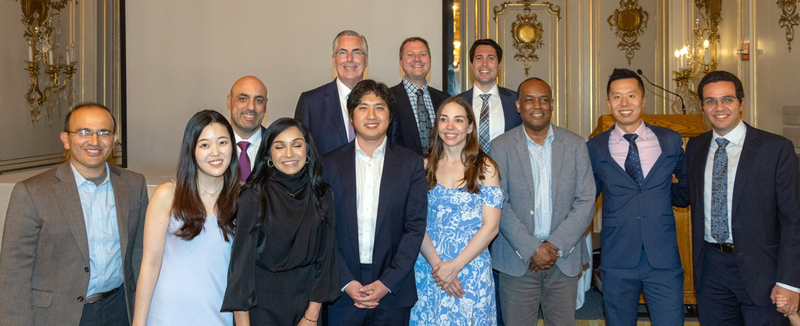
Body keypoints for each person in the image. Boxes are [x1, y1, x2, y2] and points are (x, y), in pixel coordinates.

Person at [0, 103, 148, 326]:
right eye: (83, 132)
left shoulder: (134, 185)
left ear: (114, 139)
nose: (94, 141)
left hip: (119, 309)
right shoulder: (32, 192)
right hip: (57, 315)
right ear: (66, 139)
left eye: (103, 133)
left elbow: (140, 253)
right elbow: (13, 271)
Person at [683, 70, 800, 326]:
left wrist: (790, 281)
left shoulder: (775, 149)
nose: (719, 107)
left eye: (727, 99)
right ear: (702, 106)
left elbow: (793, 220)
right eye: (711, 101)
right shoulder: (695, 147)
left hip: (763, 273)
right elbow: (682, 195)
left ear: (741, 103)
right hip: (711, 271)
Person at [586, 68, 689, 325]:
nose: (624, 103)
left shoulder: (670, 141)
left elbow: (686, 187)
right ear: (609, 103)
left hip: (663, 258)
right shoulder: (595, 147)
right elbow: (587, 198)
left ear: (643, 100)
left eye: (631, 95)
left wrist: (663, 199)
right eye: (617, 97)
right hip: (618, 258)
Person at [490, 78, 596, 325]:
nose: (537, 105)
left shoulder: (575, 145)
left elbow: (587, 199)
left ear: (552, 105)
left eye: (544, 99)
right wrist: (532, 248)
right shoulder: (500, 147)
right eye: (529, 99)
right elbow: (499, 202)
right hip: (517, 260)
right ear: (518, 105)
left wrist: (554, 246)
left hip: (563, 259)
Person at [322, 79, 427, 326]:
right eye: (363, 107)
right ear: (351, 117)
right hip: (342, 291)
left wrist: (386, 283)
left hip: (393, 291)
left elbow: (414, 228)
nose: (372, 115)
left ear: (390, 117)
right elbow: (325, 229)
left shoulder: (411, 164)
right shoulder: (329, 164)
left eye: (379, 107)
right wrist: (346, 282)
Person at [222, 118, 340, 325]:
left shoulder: (323, 195)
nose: (289, 154)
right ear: (268, 154)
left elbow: (327, 258)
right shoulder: (253, 196)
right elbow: (241, 267)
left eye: (297, 145)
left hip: (307, 307)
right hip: (261, 307)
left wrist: (311, 316)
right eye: (279, 147)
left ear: (308, 151)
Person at [132, 110, 240, 326]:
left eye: (222, 142)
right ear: (191, 150)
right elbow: (150, 264)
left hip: (220, 314)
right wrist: (138, 323)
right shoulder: (168, 194)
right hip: (168, 314)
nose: (215, 152)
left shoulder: (243, 198)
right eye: (204, 145)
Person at [410, 96, 503, 325]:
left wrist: (454, 267)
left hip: (470, 269)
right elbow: (415, 223)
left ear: (470, 126)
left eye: (458, 120)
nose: (450, 127)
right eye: (444, 119)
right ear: (437, 125)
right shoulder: (422, 166)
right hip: (430, 267)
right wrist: (440, 269)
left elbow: (491, 227)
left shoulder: (485, 167)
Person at [296, 30, 369, 155]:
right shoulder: (310, 102)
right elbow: (300, 153)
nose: (349, 59)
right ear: (334, 60)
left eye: (356, 52)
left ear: (366, 60)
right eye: (343, 52)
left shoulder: (383, 101)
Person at [457, 38, 521, 154]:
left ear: (499, 64)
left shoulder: (516, 101)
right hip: (466, 170)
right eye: (479, 58)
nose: (484, 64)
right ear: (471, 64)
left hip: (506, 171)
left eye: (491, 58)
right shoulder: (457, 103)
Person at [390, 37, 450, 155]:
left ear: (430, 60)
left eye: (423, 54)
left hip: (442, 170)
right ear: (400, 62)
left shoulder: (445, 100)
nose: (417, 59)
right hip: (403, 171)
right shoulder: (387, 99)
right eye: (410, 55)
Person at [227, 76, 268, 182]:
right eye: (243, 99)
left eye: (258, 100)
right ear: (229, 102)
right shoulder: (209, 148)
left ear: (265, 106)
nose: (251, 107)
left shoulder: (278, 147)